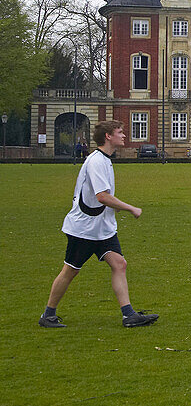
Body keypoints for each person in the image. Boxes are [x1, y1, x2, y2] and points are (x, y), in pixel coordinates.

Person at [39, 120, 158, 328]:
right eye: (120, 132)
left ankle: (128, 315)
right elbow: (102, 196)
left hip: (102, 229)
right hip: (84, 229)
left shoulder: (106, 160)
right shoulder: (96, 161)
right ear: (108, 137)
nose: (124, 135)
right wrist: (130, 208)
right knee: (70, 271)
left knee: (119, 264)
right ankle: (48, 315)